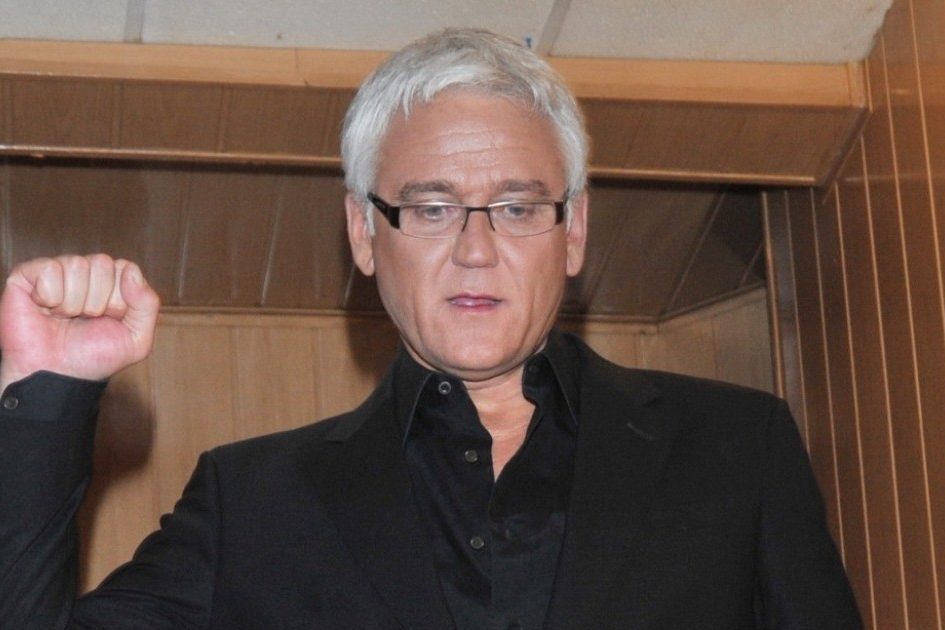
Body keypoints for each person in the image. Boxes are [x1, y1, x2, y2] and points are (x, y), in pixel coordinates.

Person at [0, 28, 861, 629]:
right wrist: (48, 396)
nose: (476, 250)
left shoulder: (736, 447)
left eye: (517, 207)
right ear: (363, 234)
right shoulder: (251, 502)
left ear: (574, 231)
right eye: (432, 208)